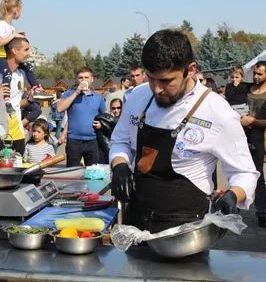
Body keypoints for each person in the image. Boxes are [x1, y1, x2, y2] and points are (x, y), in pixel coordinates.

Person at [109, 29, 258, 233]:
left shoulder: (218, 113)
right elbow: (120, 141)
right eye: (151, 78)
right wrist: (120, 165)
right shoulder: (138, 97)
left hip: (186, 231)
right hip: (136, 222)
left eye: (166, 81)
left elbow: (245, 173)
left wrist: (234, 194)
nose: (157, 89)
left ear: (191, 70)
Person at [0, 0, 42, 114]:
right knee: (7, 73)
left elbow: (11, 43)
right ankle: (6, 100)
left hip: (6, 56)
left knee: (28, 66)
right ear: (15, 10)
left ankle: (36, 88)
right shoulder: (1, 24)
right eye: (20, 10)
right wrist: (14, 35)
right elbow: (0, 43)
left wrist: (18, 36)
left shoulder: (11, 27)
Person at [0, 37, 37, 155]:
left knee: (18, 167)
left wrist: (29, 99)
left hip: (17, 132)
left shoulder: (20, 74)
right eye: (26, 50)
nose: (28, 54)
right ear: (14, 51)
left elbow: (16, 104)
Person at [57, 66, 106, 166]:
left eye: (86, 77)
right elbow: (59, 108)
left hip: (92, 141)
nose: (83, 80)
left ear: (92, 79)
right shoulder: (69, 94)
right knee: (72, 173)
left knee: (93, 173)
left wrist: (102, 124)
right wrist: (77, 92)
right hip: (74, 141)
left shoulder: (98, 97)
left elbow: (105, 116)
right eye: (80, 78)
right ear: (76, 79)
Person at [241, 61, 266, 227]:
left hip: (259, 138)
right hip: (242, 138)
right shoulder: (247, 90)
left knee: (258, 176)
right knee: (238, 172)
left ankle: (262, 212)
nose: (256, 77)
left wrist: (252, 121)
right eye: (255, 73)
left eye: (260, 74)